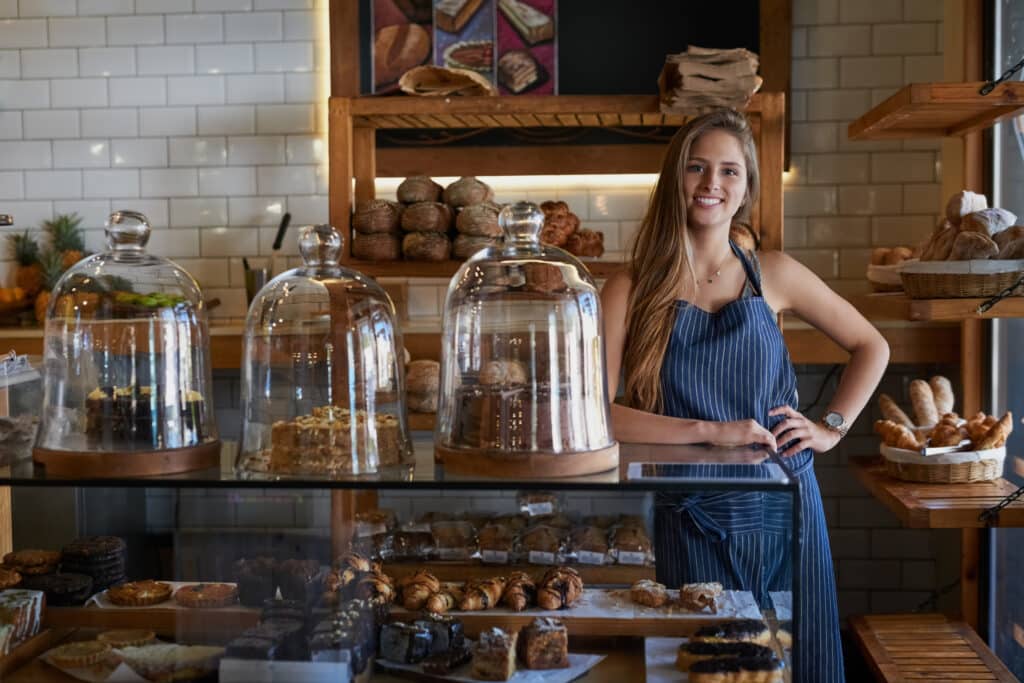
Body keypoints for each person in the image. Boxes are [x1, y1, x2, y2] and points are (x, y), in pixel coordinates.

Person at [600, 109, 889, 682]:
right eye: (697, 167)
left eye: (729, 171)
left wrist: (829, 426)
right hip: (688, 513)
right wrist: (708, 430)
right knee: (703, 664)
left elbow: (871, 345)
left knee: (796, 661)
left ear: (746, 188)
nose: (712, 184)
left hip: (787, 507)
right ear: (673, 179)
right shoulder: (629, 287)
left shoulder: (774, 274)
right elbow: (598, 416)